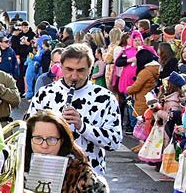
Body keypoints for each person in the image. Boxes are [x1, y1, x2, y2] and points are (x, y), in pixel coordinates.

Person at [26, 43, 122, 176]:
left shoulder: (105, 98)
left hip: (88, 174)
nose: (74, 76)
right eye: (69, 69)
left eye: (80, 70)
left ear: (90, 69)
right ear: (61, 67)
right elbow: (27, 133)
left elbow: (114, 142)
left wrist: (82, 126)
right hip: (48, 171)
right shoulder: (45, 93)